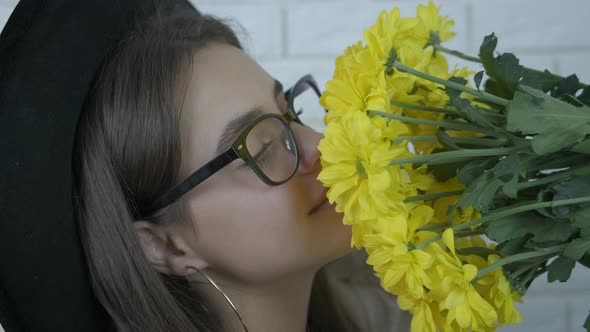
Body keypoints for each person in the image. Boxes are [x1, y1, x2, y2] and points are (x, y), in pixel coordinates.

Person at [0, 0, 410, 331]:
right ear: (167, 246)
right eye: (262, 149)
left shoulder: (402, 302)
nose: (319, 145)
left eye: (291, 112)